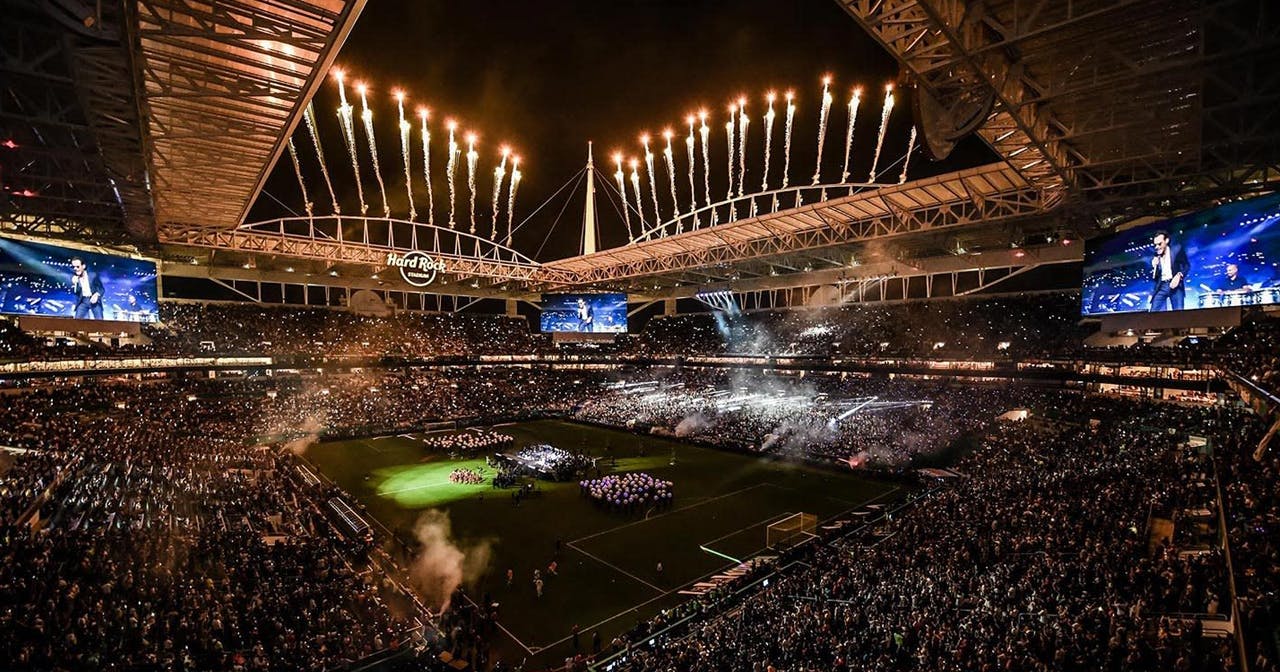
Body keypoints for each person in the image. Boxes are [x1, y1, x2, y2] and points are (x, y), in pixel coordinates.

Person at [1149, 230, 1190, 312]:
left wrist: (1179, 275)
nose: (1157, 247)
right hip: (1162, 286)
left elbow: (1186, 265)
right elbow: (1154, 277)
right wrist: (1154, 267)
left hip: (1175, 285)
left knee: (1179, 313)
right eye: (1155, 245)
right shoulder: (1155, 255)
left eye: (1159, 244)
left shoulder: (1176, 250)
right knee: (1154, 312)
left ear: (1166, 241)